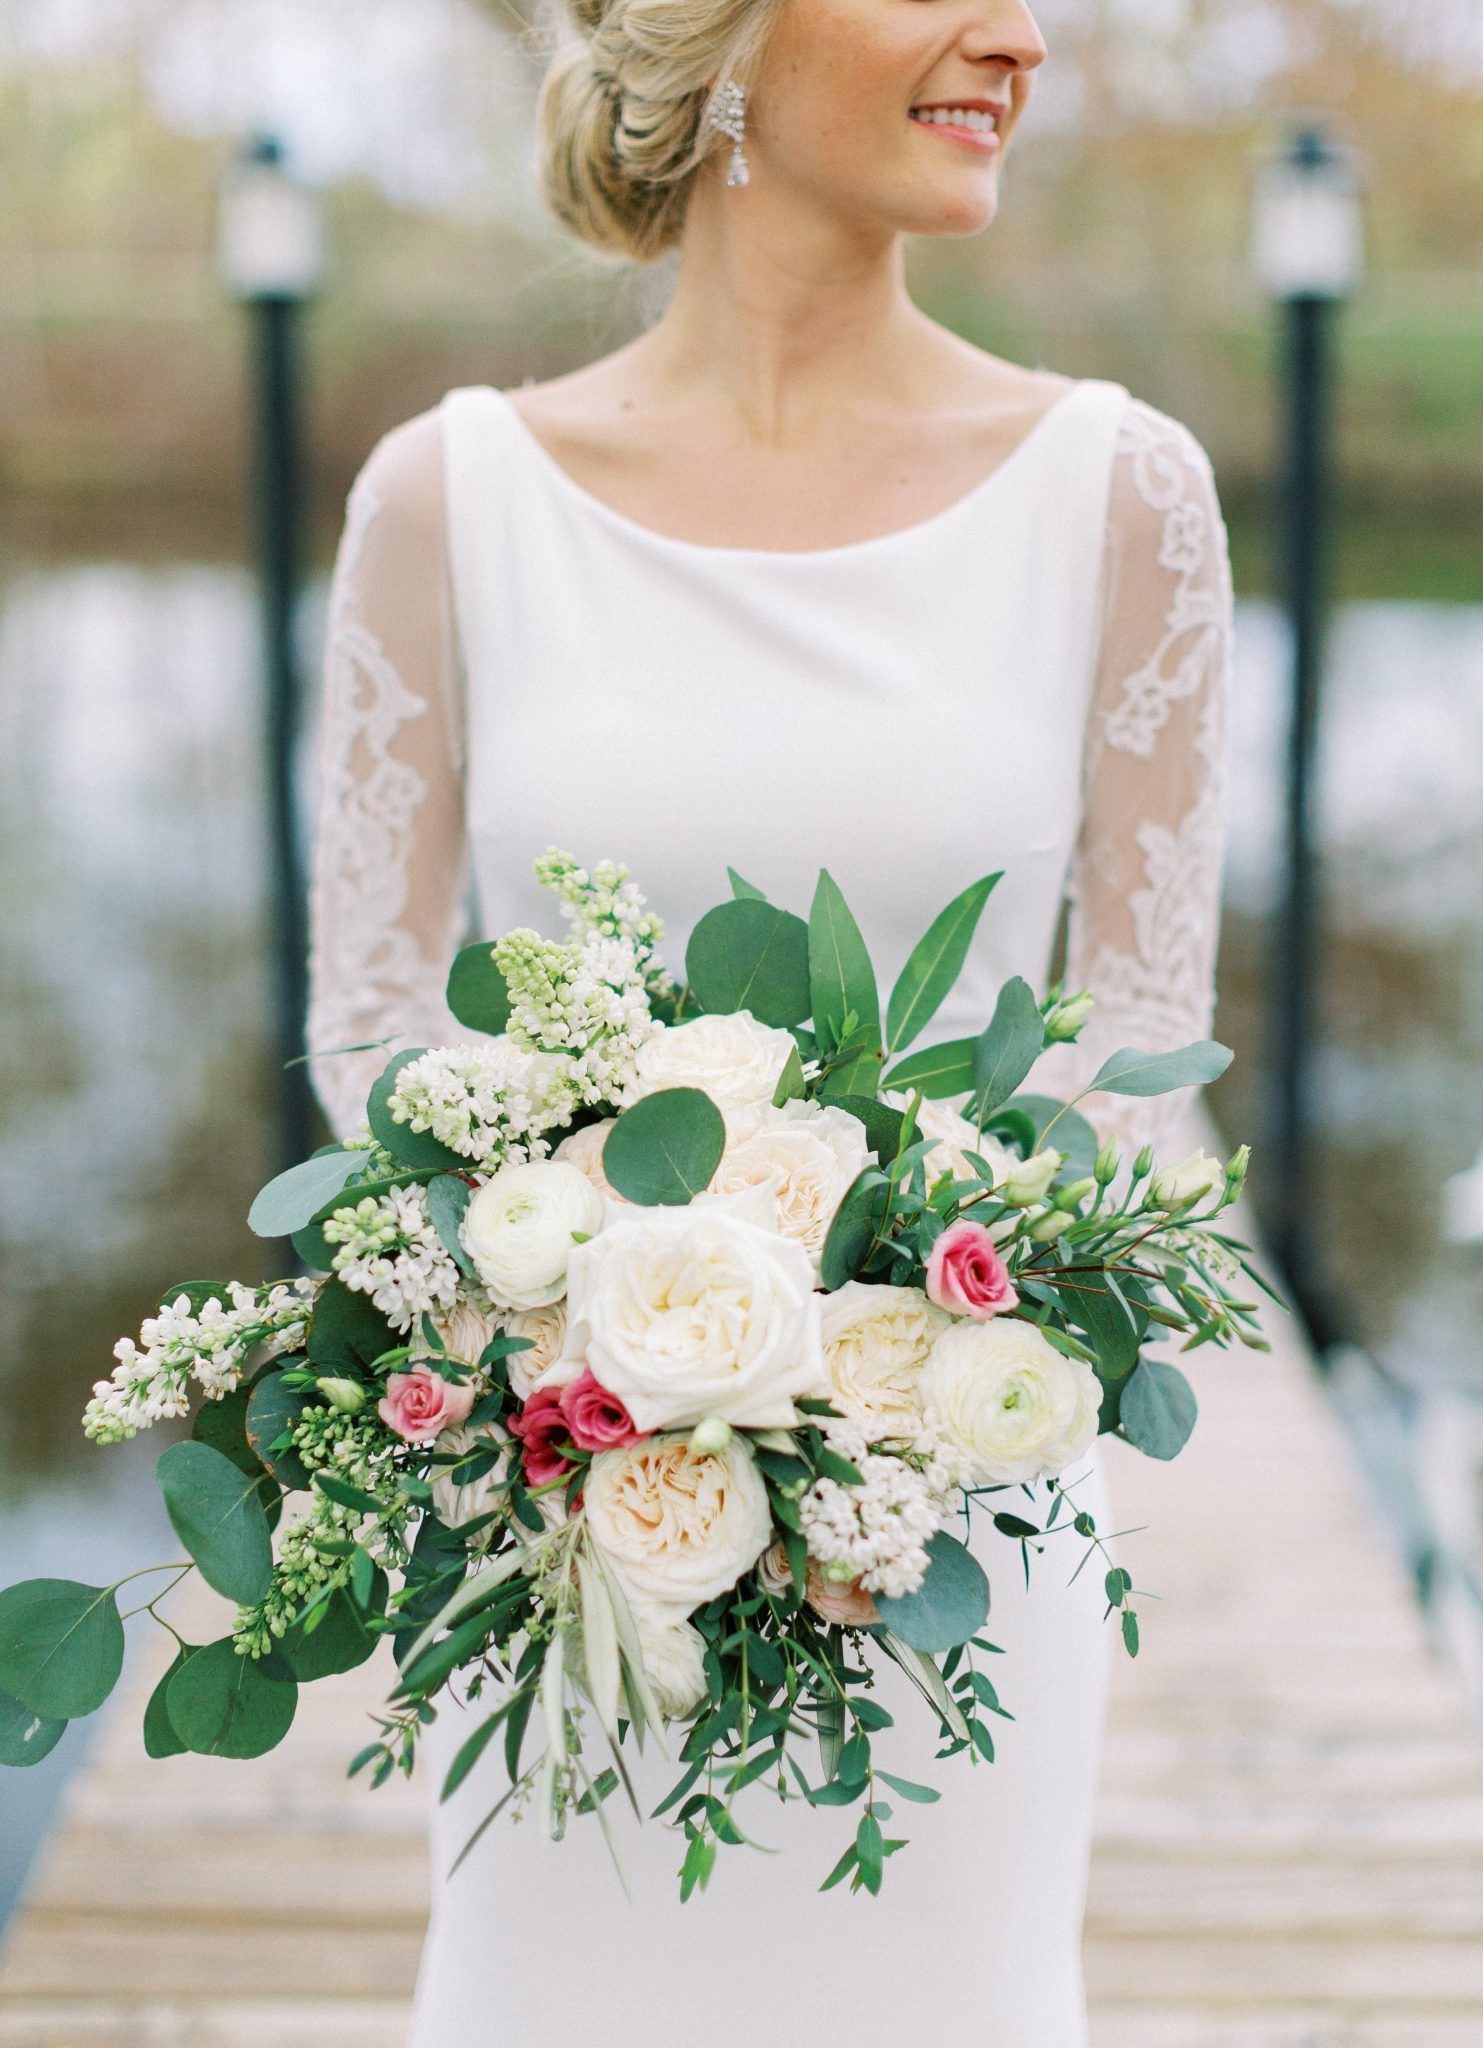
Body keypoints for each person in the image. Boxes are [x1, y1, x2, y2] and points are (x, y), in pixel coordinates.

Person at [304, 0, 1233, 2040]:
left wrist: (878, 1392)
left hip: (952, 1530)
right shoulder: (447, 501)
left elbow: (1140, 1066)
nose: (1023, 37)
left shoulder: (1118, 496)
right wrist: (572, 1337)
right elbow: (377, 1042)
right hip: (565, 1511)